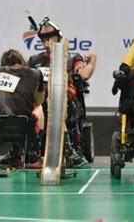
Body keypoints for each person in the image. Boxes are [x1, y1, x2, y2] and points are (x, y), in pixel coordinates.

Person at [27, 17, 97, 168]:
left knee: (59, 101)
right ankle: (26, 153)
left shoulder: (72, 58)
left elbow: (84, 74)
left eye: (49, 39)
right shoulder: (35, 60)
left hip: (65, 99)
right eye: (43, 40)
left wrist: (92, 62)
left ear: (58, 37)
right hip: (40, 99)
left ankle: (69, 152)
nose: (46, 44)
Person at [0, 49, 45, 169]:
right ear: (21, 61)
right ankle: (34, 156)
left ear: (3, 64)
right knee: (39, 108)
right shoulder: (36, 74)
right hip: (25, 128)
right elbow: (39, 100)